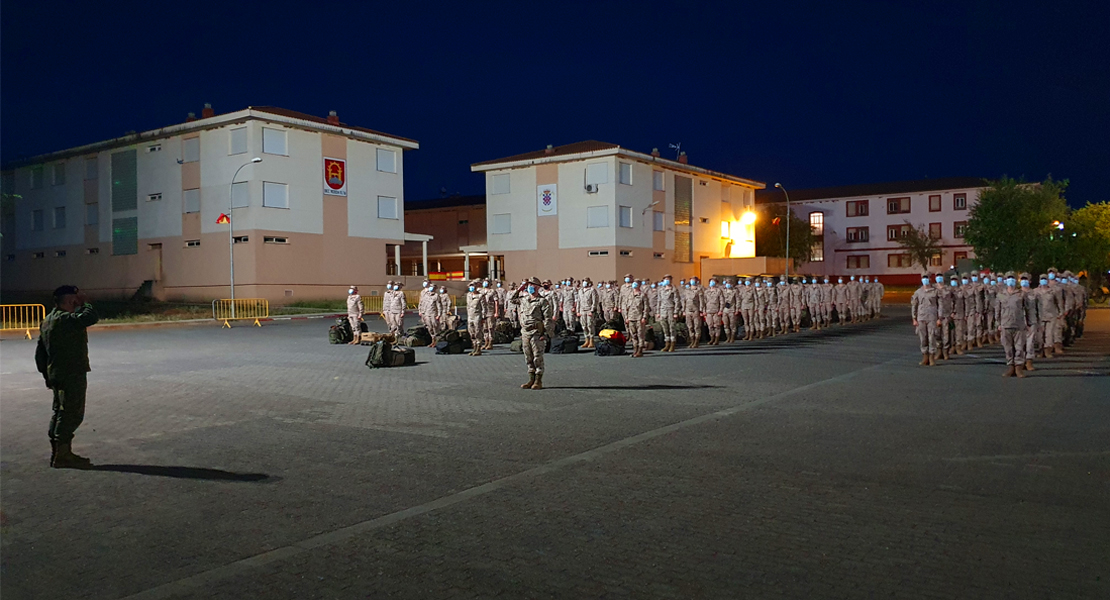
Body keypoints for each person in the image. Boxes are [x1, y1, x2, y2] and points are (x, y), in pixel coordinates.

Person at [36, 285, 99, 468]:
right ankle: (62, 455)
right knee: (71, 413)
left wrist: (47, 374)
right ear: (71, 300)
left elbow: (40, 353)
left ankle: (59, 452)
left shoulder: (48, 320)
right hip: (71, 374)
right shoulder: (65, 319)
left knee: (59, 412)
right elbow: (90, 317)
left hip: (57, 374)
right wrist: (86, 303)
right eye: (75, 299)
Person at [512, 278, 553, 390]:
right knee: (528, 357)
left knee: (537, 357)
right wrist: (520, 288)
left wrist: (545, 333)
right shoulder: (524, 299)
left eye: (532, 285)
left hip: (536, 332)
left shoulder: (542, 301)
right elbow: (512, 299)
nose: (529, 287)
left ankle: (538, 380)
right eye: (528, 285)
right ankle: (531, 379)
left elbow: (548, 319)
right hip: (525, 332)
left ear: (537, 287)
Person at [997, 271, 1034, 377]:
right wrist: (998, 323)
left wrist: (1029, 323)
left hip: (1019, 325)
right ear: (1005, 280)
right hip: (1005, 324)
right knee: (1007, 348)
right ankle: (1010, 367)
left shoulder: (1021, 294)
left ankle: (1019, 368)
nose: (1011, 280)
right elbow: (997, 310)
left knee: (1019, 347)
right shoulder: (1001, 295)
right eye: (1008, 278)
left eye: (1012, 278)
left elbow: (1028, 309)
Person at [911, 273, 940, 366]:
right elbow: (914, 305)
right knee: (923, 338)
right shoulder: (918, 292)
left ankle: (932, 357)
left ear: (930, 279)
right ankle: (925, 357)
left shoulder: (935, 291)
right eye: (924, 278)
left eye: (926, 278)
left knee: (932, 337)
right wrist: (914, 318)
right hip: (921, 318)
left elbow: (940, 305)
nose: (925, 280)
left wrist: (939, 318)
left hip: (932, 317)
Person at [621, 279, 650, 357]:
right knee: (633, 335)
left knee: (640, 334)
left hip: (639, 318)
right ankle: (635, 349)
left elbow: (646, 307)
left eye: (636, 284)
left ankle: (640, 350)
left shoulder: (642, 295)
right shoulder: (630, 295)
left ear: (639, 285)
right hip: (631, 317)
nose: (634, 285)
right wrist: (626, 317)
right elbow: (626, 307)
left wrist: (644, 317)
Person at [1020, 273, 1039, 372]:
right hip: (1019, 322)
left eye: (1026, 279)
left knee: (1030, 343)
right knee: (1019, 343)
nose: (1024, 281)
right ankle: (1020, 362)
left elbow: (1039, 308)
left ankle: (1029, 362)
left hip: (1032, 320)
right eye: (1022, 279)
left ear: (1030, 281)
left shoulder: (1035, 293)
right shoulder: (1016, 293)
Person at [934, 274, 954, 360]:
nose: (939, 278)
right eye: (937, 276)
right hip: (935, 315)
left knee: (946, 334)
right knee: (937, 334)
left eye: (940, 276)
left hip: (946, 314)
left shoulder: (948, 289)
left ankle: (946, 351)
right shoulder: (933, 289)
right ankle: (939, 351)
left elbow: (954, 300)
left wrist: (953, 312)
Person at [465, 281, 487, 356]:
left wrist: (483, 318)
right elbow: (468, 306)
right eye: (470, 286)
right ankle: (474, 347)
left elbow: (484, 308)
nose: (471, 288)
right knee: (471, 332)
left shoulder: (480, 296)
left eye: (472, 286)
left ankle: (478, 348)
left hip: (477, 316)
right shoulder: (468, 295)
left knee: (478, 332)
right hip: (470, 316)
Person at [576, 278, 600, 348]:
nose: (584, 283)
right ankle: (586, 340)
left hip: (589, 310)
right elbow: (578, 301)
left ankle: (591, 340)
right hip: (582, 310)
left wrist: (592, 310)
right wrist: (578, 311)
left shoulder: (592, 290)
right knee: (584, 326)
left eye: (585, 282)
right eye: (583, 281)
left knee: (590, 325)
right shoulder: (580, 290)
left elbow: (595, 301)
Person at [683, 276, 704, 347]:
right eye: (691, 280)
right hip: (688, 310)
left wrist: (701, 310)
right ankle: (692, 340)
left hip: (696, 310)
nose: (692, 281)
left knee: (696, 326)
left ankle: (696, 341)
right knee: (690, 326)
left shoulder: (699, 290)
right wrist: (683, 310)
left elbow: (701, 301)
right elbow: (684, 301)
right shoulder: (686, 290)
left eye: (694, 280)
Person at [703, 277, 724, 345]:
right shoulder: (706, 291)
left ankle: (716, 339)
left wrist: (721, 310)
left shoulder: (719, 291)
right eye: (711, 281)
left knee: (717, 326)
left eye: (713, 282)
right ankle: (712, 338)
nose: (712, 283)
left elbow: (721, 301)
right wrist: (704, 311)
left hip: (716, 311)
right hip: (708, 311)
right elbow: (704, 302)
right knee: (710, 326)